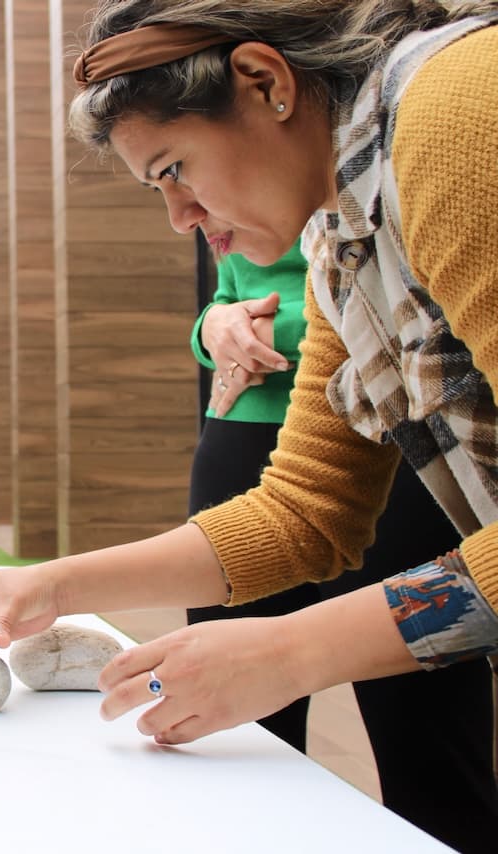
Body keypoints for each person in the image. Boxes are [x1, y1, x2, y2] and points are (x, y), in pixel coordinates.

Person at [0, 2, 498, 849]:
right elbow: (305, 512)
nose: (179, 219)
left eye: (175, 169)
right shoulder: (341, 237)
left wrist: (292, 653)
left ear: (265, 82)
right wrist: (45, 586)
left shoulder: (460, 109)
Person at [189, 242, 498, 845]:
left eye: (177, 172)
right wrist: (212, 326)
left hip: (397, 423)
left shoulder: (379, 191)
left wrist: (269, 328)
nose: (188, 221)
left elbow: (397, 300)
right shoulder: (276, 224)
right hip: (243, 419)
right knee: (238, 746)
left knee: (426, 740)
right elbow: (235, 289)